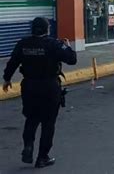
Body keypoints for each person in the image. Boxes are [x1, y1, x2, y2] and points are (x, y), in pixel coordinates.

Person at [2, 17, 77, 168]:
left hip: (29, 86)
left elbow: (12, 62)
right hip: (49, 87)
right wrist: (68, 47)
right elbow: (72, 59)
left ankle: (28, 145)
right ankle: (42, 157)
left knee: (31, 119)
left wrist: (7, 79)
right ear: (47, 29)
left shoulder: (23, 44)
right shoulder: (54, 44)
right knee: (48, 123)